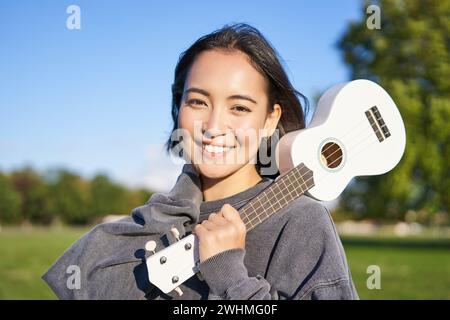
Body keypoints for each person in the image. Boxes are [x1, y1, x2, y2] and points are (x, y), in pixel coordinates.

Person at [43, 23, 358, 300]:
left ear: (269, 120)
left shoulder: (301, 223)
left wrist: (230, 275)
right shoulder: (141, 231)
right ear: (178, 106)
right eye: (198, 101)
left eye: (239, 108)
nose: (213, 126)